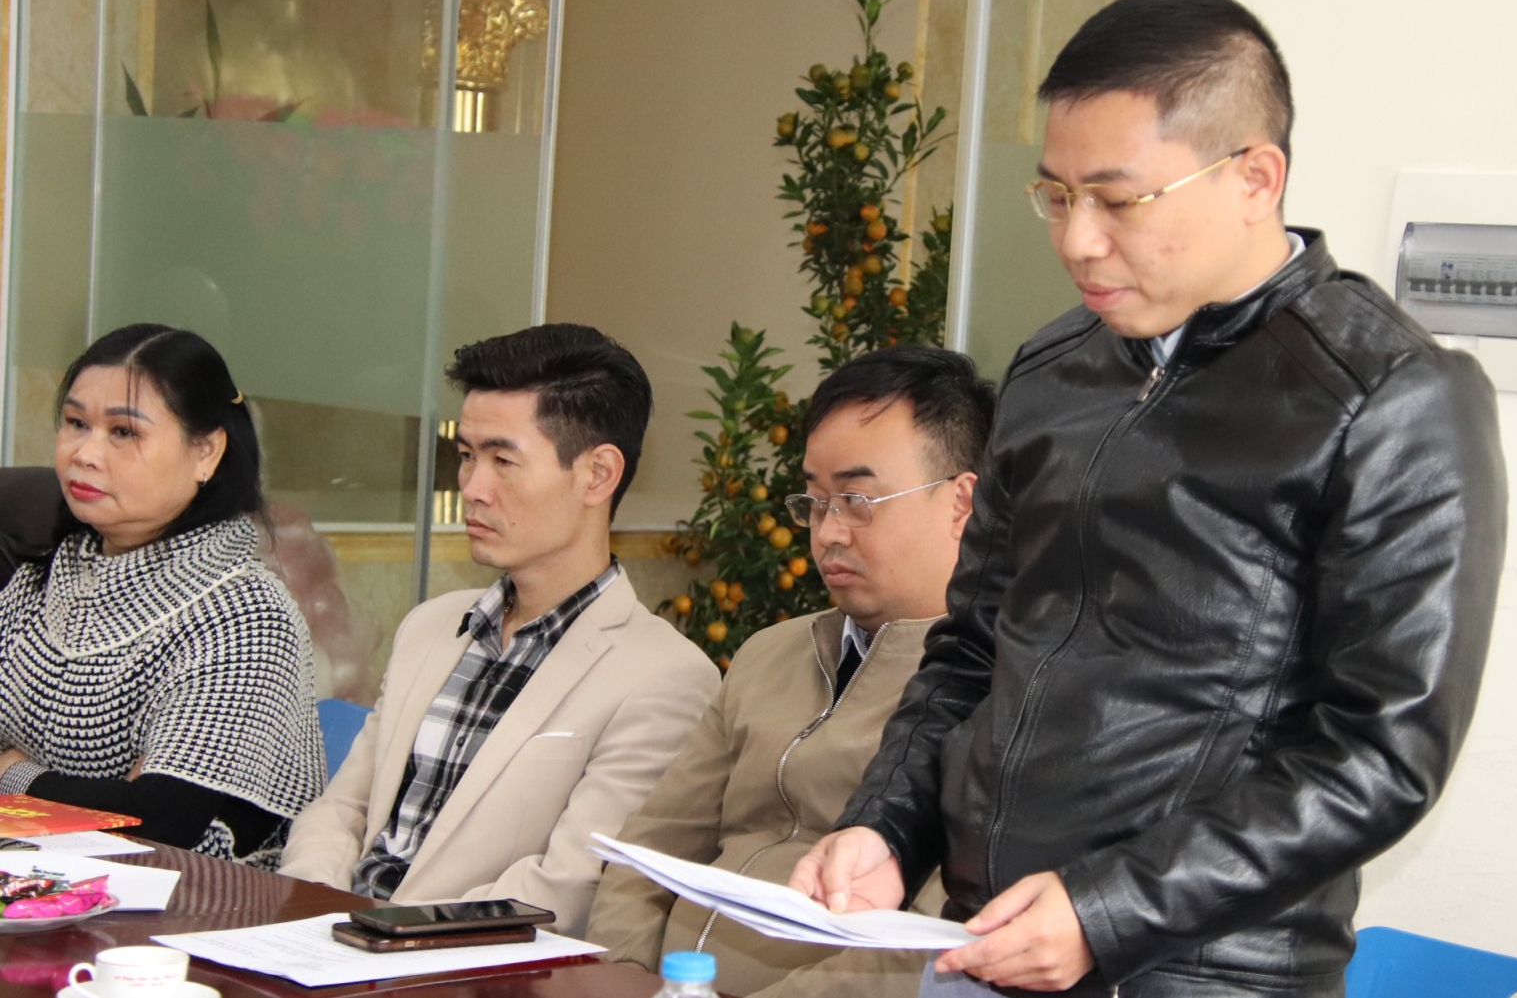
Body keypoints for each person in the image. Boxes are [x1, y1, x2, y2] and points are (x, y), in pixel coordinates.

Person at [791, 0, 1509, 998]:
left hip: (1206, 972)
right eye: (1055, 196)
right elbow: (972, 649)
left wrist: (1109, 910)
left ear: (1255, 177)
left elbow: (1380, 752)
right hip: (987, 942)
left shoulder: (1389, 397)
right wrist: (886, 827)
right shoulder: (1054, 369)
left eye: (1118, 200)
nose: (1077, 240)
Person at [280, 323, 719, 934]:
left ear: (597, 475)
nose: (471, 488)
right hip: (326, 939)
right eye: (466, 456)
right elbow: (343, 808)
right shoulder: (431, 627)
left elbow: (568, 887)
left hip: (458, 961)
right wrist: (317, 916)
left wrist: (382, 936)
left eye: (503, 461)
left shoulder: (664, 677)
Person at [586, 346, 996, 998]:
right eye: (815, 501)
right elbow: (651, 851)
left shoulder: (1002, 692)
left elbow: (918, 946)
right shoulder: (770, 654)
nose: (828, 532)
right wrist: (626, 979)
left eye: (857, 500)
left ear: (962, 502)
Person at [0, 323, 325, 865]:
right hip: (39, 874)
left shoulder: (245, 614)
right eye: (76, 423)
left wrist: (13, 772)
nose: (85, 453)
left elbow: (158, 820)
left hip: (194, 898)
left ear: (206, 452)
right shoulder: (45, 578)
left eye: (123, 432)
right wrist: (89, 794)